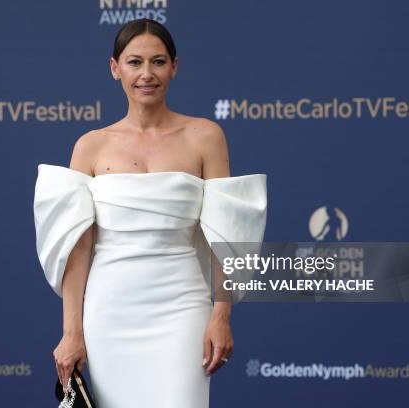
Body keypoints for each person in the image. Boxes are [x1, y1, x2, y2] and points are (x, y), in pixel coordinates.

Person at [34, 18, 267, 408]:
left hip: (183, 307)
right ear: (115, 68)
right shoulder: (90, 146)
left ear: (174, 66)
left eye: (158, 62)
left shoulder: (205, 136)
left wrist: (221, 313)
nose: (147, 74)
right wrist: (71, 330)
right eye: (135, 62)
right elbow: (77, 247)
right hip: (110, 310)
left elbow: (225, 231)